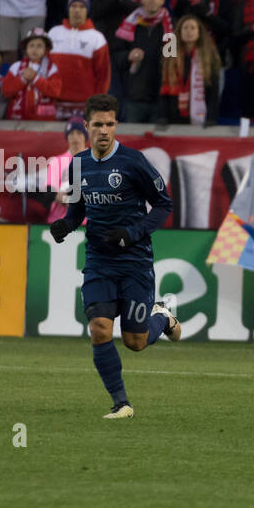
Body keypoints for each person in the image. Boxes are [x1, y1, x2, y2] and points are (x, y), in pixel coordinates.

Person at [48, 93, 181, 420]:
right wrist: (66, 224)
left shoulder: (134, 162)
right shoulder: (78, 164)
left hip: (134, 262)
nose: (104, 130)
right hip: (99, 261)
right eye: (97, 124)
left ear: (116, 125)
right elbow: (78, 209)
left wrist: (133, 232)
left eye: (110, 124)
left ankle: (161, 316)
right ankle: (121, 403)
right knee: (100, 329)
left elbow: (164, 204)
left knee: (135, 341)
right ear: (86, 126)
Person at [111, 0, 171, 122]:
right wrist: (128, 56)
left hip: (160, 97)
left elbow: (171, 58)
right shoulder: (129, 24)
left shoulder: (169, 26)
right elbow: (116, 55)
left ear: (162, 0)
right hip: (134, 97)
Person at [49, 0, 112, 121]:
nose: (77, 10)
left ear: (87, 10)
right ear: (68, 9)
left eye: (82, 7)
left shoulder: (97, 38)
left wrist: (97, 104)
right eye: (73, 6)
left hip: (84, 104)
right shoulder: (53, 33)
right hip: (54, 103)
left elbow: (103, 75)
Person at [159, 15, 222, 126]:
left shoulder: (209, 56)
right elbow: (164, 88)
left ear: (199, 32)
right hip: (173, 115)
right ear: (179, 31)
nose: (189, 31)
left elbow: (213, 92)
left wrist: (211, 118)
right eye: (185, 28)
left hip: (201, 115)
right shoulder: (170, 54)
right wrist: (163, 116)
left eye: (193, 28)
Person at [3, 27, 63, 120]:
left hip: (44, 122)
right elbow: (5, 91)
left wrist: (35, 79)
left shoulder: (52, 68)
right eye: (31, 45)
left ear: (45, 49)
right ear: (26, 49)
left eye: (39, 46)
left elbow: (55, 91)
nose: (35, 49)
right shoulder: (16, 67)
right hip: (17, 120)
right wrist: (22, 79)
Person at [46, 117, 88, 223]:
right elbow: (50, 193)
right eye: (71, 133)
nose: (75, 137)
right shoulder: (56, 161)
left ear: (85, 136)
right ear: (67, 137)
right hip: (60, 221)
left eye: (79, 133)